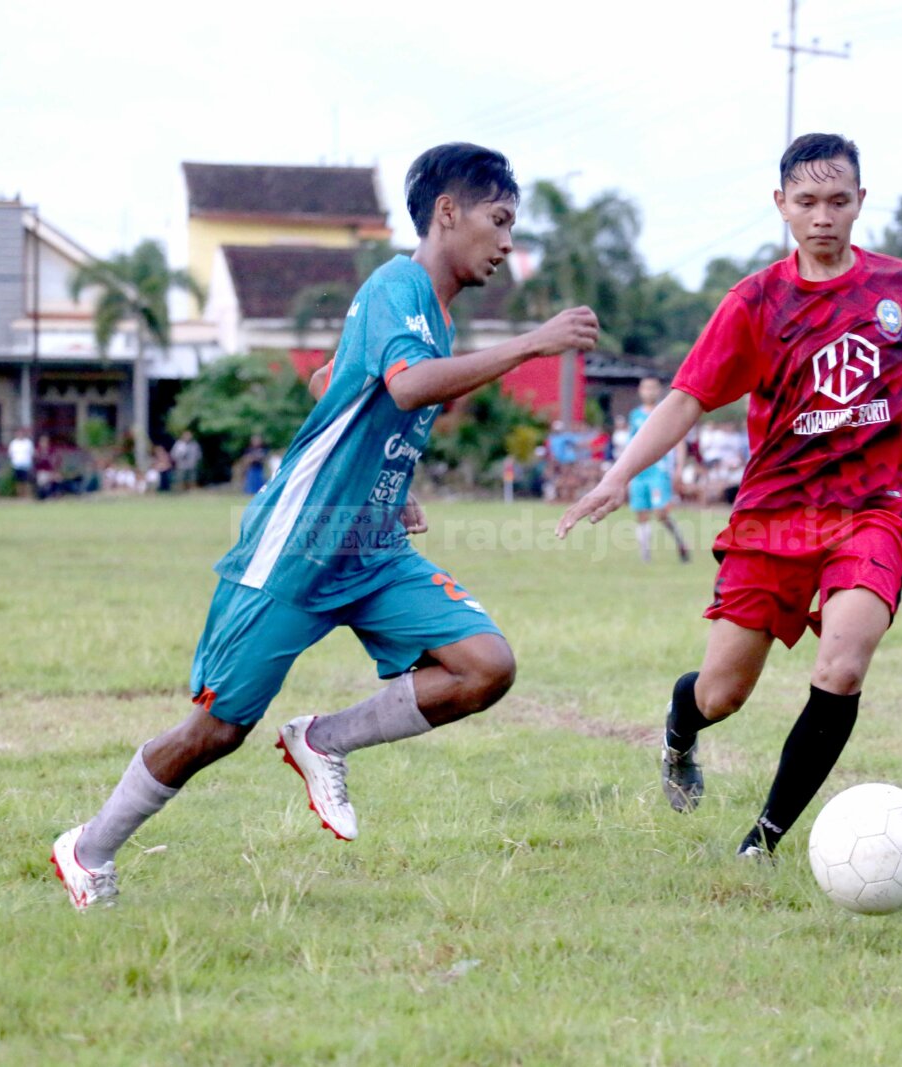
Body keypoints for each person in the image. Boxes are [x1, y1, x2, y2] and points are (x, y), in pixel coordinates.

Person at [51, 142, 599, 909]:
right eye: (499, 220)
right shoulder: (397, 284)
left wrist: (391, 479)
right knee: (217, 729)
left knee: (485, 665)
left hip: (370, 546)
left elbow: (331, 381)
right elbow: (406, 388)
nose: (508, 242)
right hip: (299, 546)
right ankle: (89, 847)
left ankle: (324, 739)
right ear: (449, 213)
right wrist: (533, 343)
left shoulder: (429, 311)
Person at [557, 134, 902, 859]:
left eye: (838, 200)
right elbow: (687, 399)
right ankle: (680, 733)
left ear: (861, 202)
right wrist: (618, 476)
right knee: (721, 695)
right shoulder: (755, 302)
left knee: (842, 664)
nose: (823, 216)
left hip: (868, 515)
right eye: (806, 201)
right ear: (781, 206)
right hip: (770, 520)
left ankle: (763, 841)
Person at [627, 377, 691, 564]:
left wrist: (679, 467)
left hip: (658, 470)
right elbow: (631, 443)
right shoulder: (635, 416)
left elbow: (679, 441)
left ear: (658, 391)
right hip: (639, 471)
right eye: (646, 388)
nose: (649, 392)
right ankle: (645, 556)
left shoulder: (665, 413)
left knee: (661, 512)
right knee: (641, 513)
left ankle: (680, 542)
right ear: (640, 391)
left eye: (653, 388)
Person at [7, 427, 34, 496]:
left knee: (27, 480)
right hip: (17, 464)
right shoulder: (13, 443)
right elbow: (10, 454)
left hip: (26, 464)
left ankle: (27, 494)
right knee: (18, 481)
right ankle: (20, 495)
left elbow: (32, 453)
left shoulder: (28, 442)